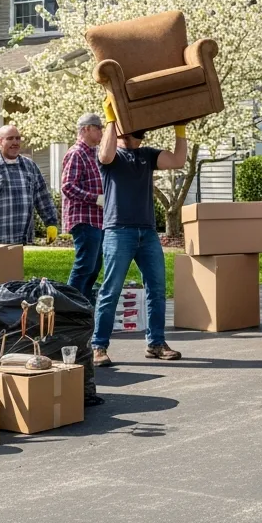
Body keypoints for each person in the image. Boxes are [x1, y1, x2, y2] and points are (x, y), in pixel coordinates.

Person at [90, 100, 187, 367]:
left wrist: (180, 129)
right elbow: (105, 155)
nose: (139, 132)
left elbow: (178, 160)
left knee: (157, 288)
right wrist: (111, 119)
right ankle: (99, 346)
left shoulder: (147, 155)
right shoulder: (111, 156)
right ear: (121, 131)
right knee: (111, 290)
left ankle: (156, 343)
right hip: (118, 231)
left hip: (147, 232)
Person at [61, 112, 105, 303]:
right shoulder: (76, 153)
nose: (102, 132)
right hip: (84, 218)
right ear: (86, 129)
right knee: (84, 266)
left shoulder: (94, 154)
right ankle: (69, 308)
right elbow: (68, 186)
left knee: (94, 267)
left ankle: (83, 307)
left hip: (97, 219)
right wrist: (95, 199)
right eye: (98, 128)